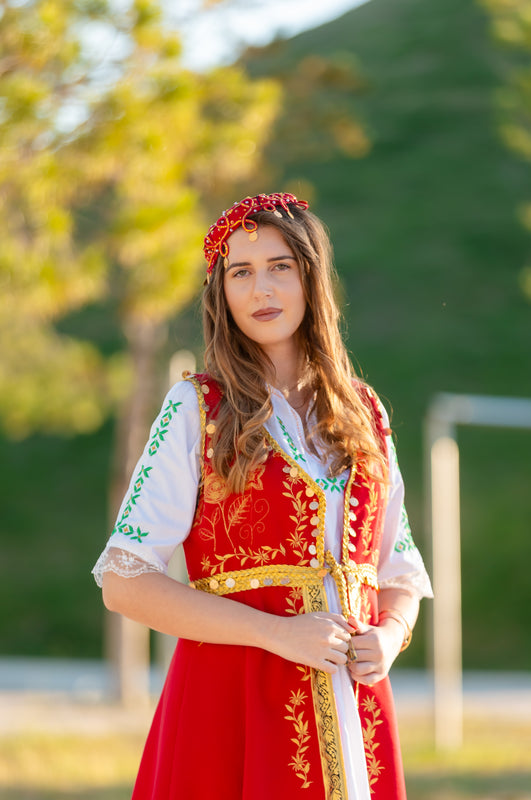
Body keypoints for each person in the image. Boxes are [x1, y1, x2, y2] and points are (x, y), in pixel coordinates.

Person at [92, 192, 432, 800]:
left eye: (280, 266)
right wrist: (276, 633)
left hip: (356, 708)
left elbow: (397, 567)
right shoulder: (196, 410)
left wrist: (388, 633)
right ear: (221, 293)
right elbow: (125, 581)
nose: (261, 290)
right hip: (232, 702)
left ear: (311, 277)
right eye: (240, 273)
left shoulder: (365, 413)